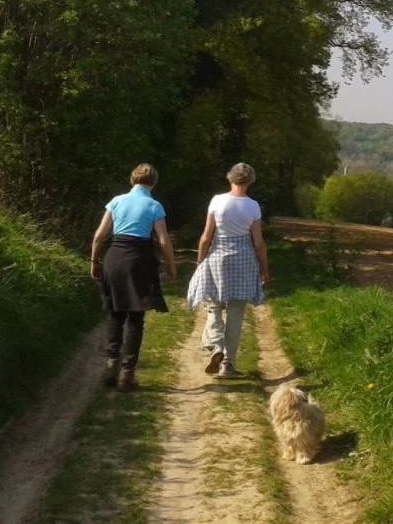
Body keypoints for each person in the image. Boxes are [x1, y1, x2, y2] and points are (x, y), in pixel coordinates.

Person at [90, 163, 177, 391]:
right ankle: (127, 374)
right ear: (153, 182)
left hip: (114, 258)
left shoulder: (117, 201)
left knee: (114, 313)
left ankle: (110, 365)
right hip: (139, 260)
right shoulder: (154, 205)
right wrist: (171, 265)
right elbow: (163, 240)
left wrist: (94, 260)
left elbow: (100, 234)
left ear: (132, 180)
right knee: (135, 319)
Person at [187, 162, 269, 378]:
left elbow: (206, 236)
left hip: (216, 257)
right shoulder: (253, 206)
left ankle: (216, 347)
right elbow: (258, 243)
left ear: (230, 178)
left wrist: (199, 262)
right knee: (236, 312)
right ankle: (227, 364)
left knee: (213, 306)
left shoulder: (217, 201)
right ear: (251, 181)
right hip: (243, 258)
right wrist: (264, 268)